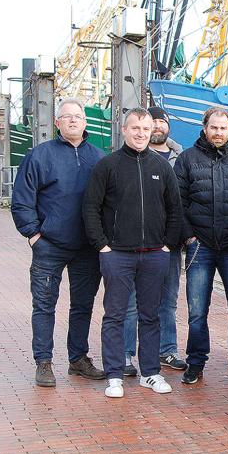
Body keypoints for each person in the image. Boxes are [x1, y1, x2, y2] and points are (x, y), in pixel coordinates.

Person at [82, 108, 183, 398]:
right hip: (117, 255)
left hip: (154, 254)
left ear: (152, 131)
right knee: (114, 314)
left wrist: (166, 246)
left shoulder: (162, 167)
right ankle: (114, 374)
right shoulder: (108, 166)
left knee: (150, 315)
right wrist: (102, 245)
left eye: (145, 128)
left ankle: (150, 373)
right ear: (124, 131)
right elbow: (91, 207)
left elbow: (175, 209)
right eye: (135, 128)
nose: (140, 133)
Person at [11, 98, 106, 387]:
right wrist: (34, 235)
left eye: (78, 117)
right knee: (44, 305)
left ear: (85, 122)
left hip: (87, 248)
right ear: (57, 123)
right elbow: (22, 199)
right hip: (49, 246)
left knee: (82, 305)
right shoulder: (40, 156)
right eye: (67, 117)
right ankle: (44, 361)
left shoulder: (99, 159)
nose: (73, 121)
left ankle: (78, 359)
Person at [174, 108, 228, 384]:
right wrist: (188, 237)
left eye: (223, 128)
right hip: (200, 246)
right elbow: (178, 203)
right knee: (197, 311)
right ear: (205, 128)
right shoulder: (187, 159)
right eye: (214, 127)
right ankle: (196, 362)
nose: (218, 132)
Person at [122, 106, 187, 376]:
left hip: (168, 245)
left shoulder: (180, 158)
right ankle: (126, 354)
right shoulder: (125, 159)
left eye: (161, 123)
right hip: (132, 245)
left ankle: (166, 349)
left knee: (168, 300)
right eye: (152, 123)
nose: (157, 127)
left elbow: (181, 203)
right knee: (131, 303)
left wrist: (175, 239)